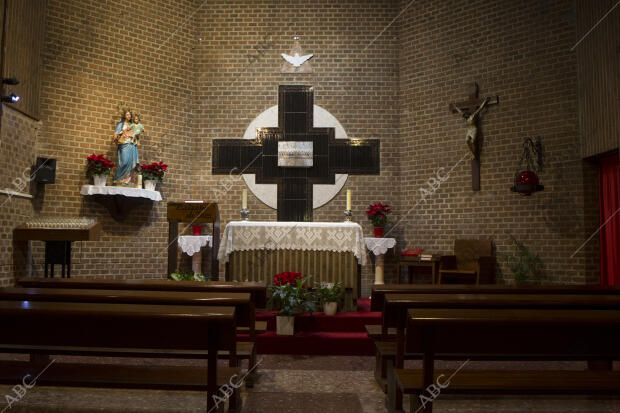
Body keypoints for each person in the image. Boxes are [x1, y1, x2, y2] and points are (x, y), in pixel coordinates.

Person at [112, 108, 139, 185]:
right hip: (123, 144)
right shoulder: (121, 124)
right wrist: (116, 136)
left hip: (131, 145)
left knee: (130, 163)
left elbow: (136, 134)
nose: (129, 116)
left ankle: (127, 180)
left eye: (130, 114)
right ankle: (118, 178)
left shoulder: (132, 125)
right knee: (123, 162)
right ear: (124, 116)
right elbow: (116, 134)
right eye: (127, 114)